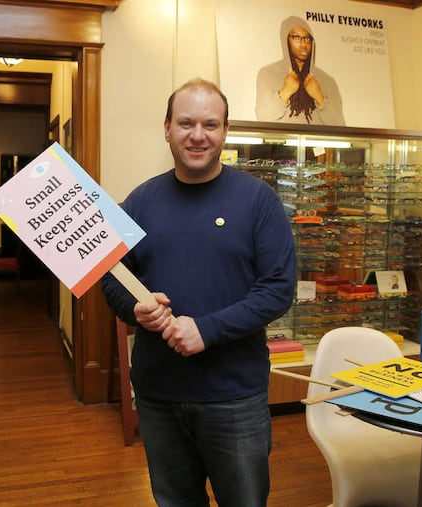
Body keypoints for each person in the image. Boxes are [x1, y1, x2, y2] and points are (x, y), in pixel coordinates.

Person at [101, 78, 297, 507]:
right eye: (186, 123)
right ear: (167, 128)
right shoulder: (139, 201)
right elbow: (110, 278)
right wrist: (136, 308)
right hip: (158, 395)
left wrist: (207, 330)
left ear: (225, 131)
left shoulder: (258, 201)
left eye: (210, 124)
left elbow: (278, 290)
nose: (197, 135)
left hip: (235, 396)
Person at [255, 16, 345, 125]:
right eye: (297, 38)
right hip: (280, 141)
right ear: (285, 39)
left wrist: (319, 97)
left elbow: (339, 123)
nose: (303, 44)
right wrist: (285, 92)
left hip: (317, 141)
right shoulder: (268, 74)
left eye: (307, 39)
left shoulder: (327, 80)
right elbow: (262, 117)